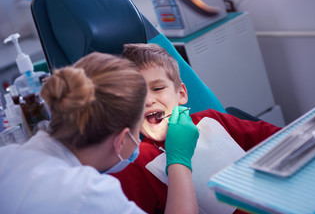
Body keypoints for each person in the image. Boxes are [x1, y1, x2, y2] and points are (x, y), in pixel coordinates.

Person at [0, 52, 200, 214]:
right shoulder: (90, 194)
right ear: (121, 140)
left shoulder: (7, 158)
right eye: (138, 128)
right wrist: (179, 160)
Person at [111, 43, 282, 214]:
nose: (148, 100)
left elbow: (283, 142)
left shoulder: (212, 120)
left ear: (181, 93)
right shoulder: (134, 164)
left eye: (158, 88)